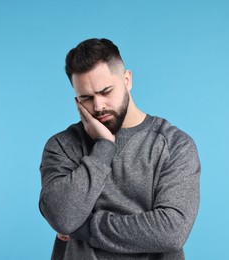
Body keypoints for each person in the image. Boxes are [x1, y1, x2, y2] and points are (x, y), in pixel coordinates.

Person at [39, 38, 201, 260]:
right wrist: (104, 147)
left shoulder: (174, 144)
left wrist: (83, 228)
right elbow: (63, 218)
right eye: (86, 98)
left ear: (127, 80)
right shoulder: (62, 146)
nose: (98, 106)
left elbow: (172, 231)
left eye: (106, 91)